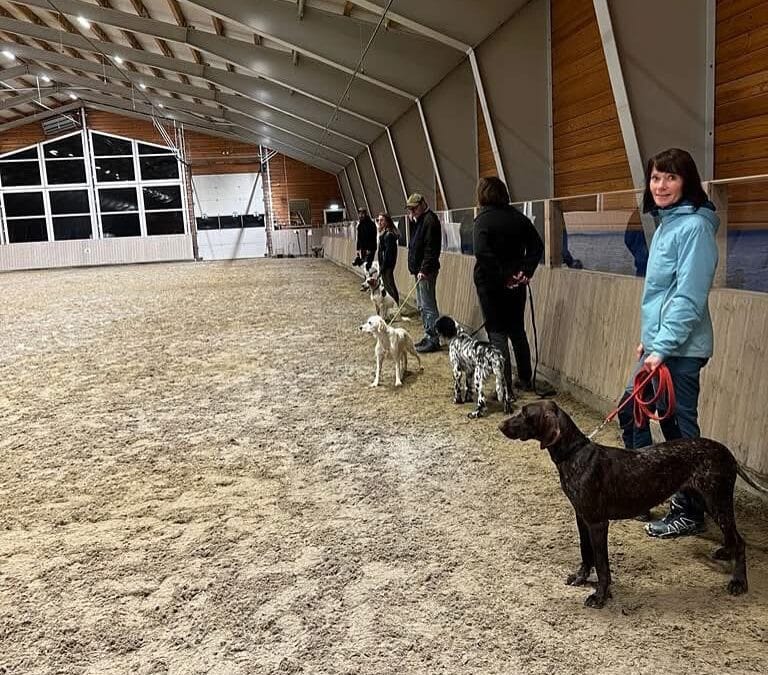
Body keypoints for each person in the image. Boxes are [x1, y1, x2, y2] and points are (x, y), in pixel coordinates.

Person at [617, 148, 719, 539]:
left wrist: (662, 347)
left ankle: (691, 510)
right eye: (656, 177)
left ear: (686, 182)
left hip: (680, 350)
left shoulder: (694, 229)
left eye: (670, 178)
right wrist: (649, 341)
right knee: (632, 411)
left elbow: (688, 297)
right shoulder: (666, 224)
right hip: (661, 346)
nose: (660, 186)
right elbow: (662, 293)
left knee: (680, 434)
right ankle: (643, 491)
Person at [472, 176, 551, 393]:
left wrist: (503, 275)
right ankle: (525, 378)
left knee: (497, 334)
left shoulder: (482, 221)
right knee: (517, 330)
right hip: (516, 283)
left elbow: (481, 253)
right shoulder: (518, 218)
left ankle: (504, 386)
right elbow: (537, 246)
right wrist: (524, 271)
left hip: (491, 286)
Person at [405, 193, 442, 353]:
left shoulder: (430, 221)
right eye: (410, 209)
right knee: (422, 305)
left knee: (428, 306)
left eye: (414, 209)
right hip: (419, 270)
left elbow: (431, 249)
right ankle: (428, 335)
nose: (412, 212)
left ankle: (433, 339)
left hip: (426, 271)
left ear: (422, 204)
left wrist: (424, 269)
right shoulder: (420, 220)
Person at [376, 213, 400, 305]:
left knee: (390, 285)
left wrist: (383, 266)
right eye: (378, 220)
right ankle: (393, 303)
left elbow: (387, 253)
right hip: (385, 263)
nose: (379, 222)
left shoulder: (389, 235)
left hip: (387, 264)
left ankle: (396, 304)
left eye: (382, 220)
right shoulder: (384, 233)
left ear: (387, 222)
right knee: (387, 285)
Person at [355, 207, 377, 274]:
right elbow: (359, 237)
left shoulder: (371, 224)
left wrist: (369, 249)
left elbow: (373, 237)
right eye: (360, 214)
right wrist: (358, 248)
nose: (361, 215)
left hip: (370, 248)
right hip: (363, 248)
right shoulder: (360, 225)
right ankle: (367, 277)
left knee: (367, 265)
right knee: (364, 265)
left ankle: (369, 277)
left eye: (362, 214)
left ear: (365, 214)